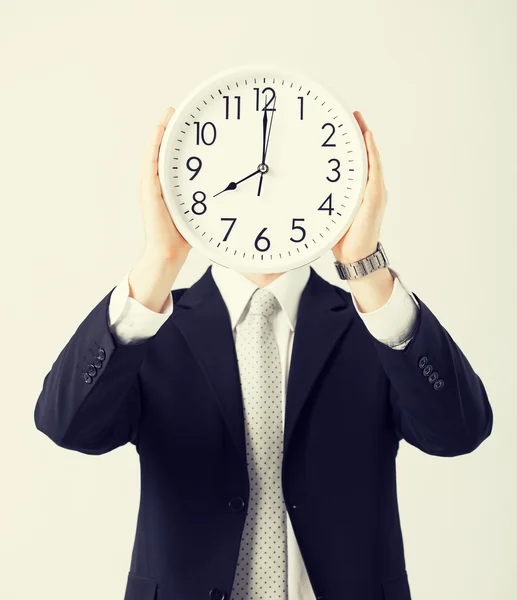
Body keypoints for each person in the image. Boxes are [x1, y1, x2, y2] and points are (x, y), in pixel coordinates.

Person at [34, 107, 493, 600]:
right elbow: (67, 425)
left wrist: (366, 268)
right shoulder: (153, 327)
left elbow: (458, 432)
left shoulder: (372, 322)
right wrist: (157, 263)